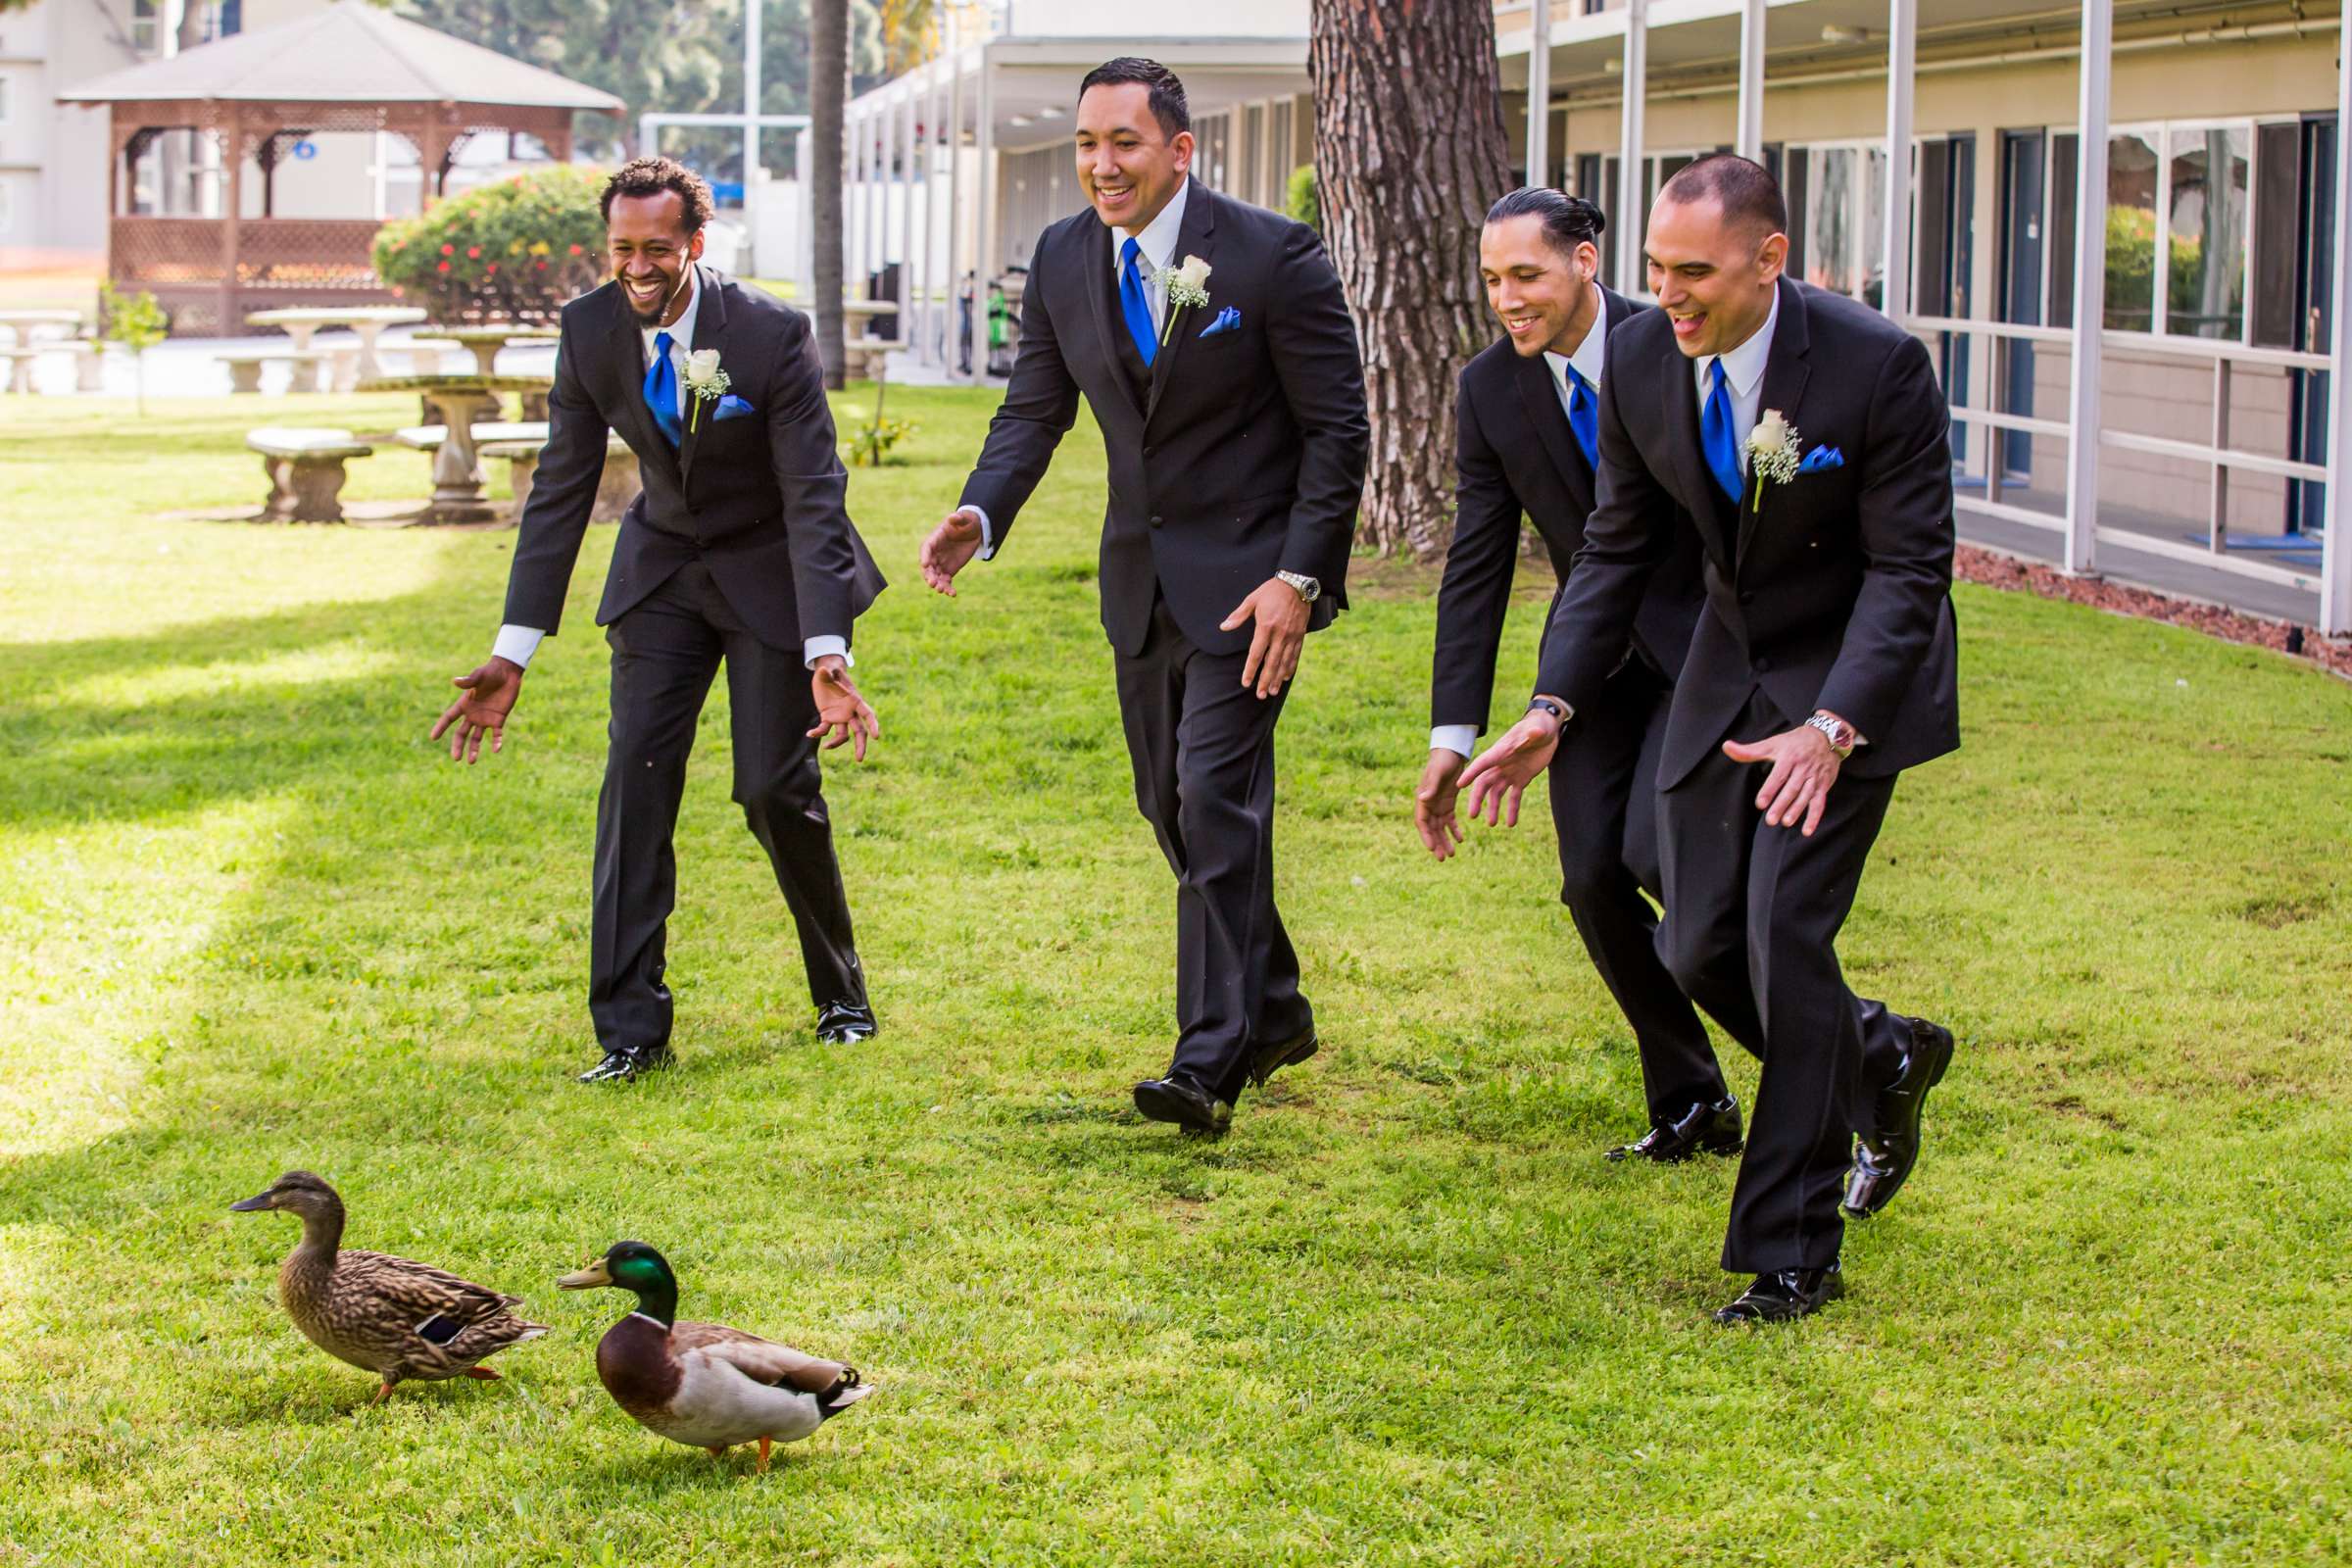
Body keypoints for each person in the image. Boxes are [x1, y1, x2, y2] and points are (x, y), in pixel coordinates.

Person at [1459, 155, 1960, 1323]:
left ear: (1770, 259)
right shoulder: (1642, 359)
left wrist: (1832, 730)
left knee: (1784, 935)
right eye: (1656, 271)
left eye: (1697, 272)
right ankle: (1882, 1057)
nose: (1670, 295)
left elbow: (1910, 571)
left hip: (1848, 686)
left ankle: (1794, 1250)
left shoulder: (1876, 363)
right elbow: (1617, 548)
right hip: (1725, 673)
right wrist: (1550, 707)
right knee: (1694, 946)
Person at [916, 58, 1368, 1135]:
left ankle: (1208, 1061)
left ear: (1180, 149)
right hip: (1139, 581)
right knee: (1166, 804)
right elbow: (1034, 409)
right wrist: (983, 512)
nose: (1100, 165)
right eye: (1086, 143)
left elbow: (1338, 432)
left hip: (1255, 584)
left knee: (1213, 796)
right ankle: (1276, 1003)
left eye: (1123, 142)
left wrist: (1299, 580)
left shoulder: (1273, 256)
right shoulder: (1066, 255)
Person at [431, 156, 888, 1085]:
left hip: (770, 573)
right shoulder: (590, 330)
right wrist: (511, 652)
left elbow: (813, 493)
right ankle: (630, 1031)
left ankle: (840, 992)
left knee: (771, 790)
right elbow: (559, 491)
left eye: (657, 249)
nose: (637, 267)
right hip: (663, 575)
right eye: (621, 249)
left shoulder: (768, 332)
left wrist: (827, 648)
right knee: (635, 788)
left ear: (695, 244)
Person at [1419, 187, 1748, 1161]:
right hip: (1592, 664)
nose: (1507, 298)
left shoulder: (1681, 347)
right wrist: (1454, 736)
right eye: (1491, 280)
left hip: (1709, 652)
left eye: (1525, 275)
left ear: (1587, 262)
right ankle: (1693, 1097)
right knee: (1592, 877)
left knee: (1662, 860)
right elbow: (1476, 565)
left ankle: (1845, 1048)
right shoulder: (1490, 391)